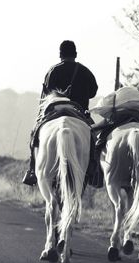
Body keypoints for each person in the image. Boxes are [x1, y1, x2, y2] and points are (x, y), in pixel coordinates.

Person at [23, 40, 98, 186]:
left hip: (54, 111)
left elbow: (45, 96)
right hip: (79, 112)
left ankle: (32, 170)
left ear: (60, 55)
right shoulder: (85, 71)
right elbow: (93, 92)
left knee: (35, 135)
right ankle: (94, 170)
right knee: (94, 136)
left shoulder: (53, 71)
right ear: (76, 54)